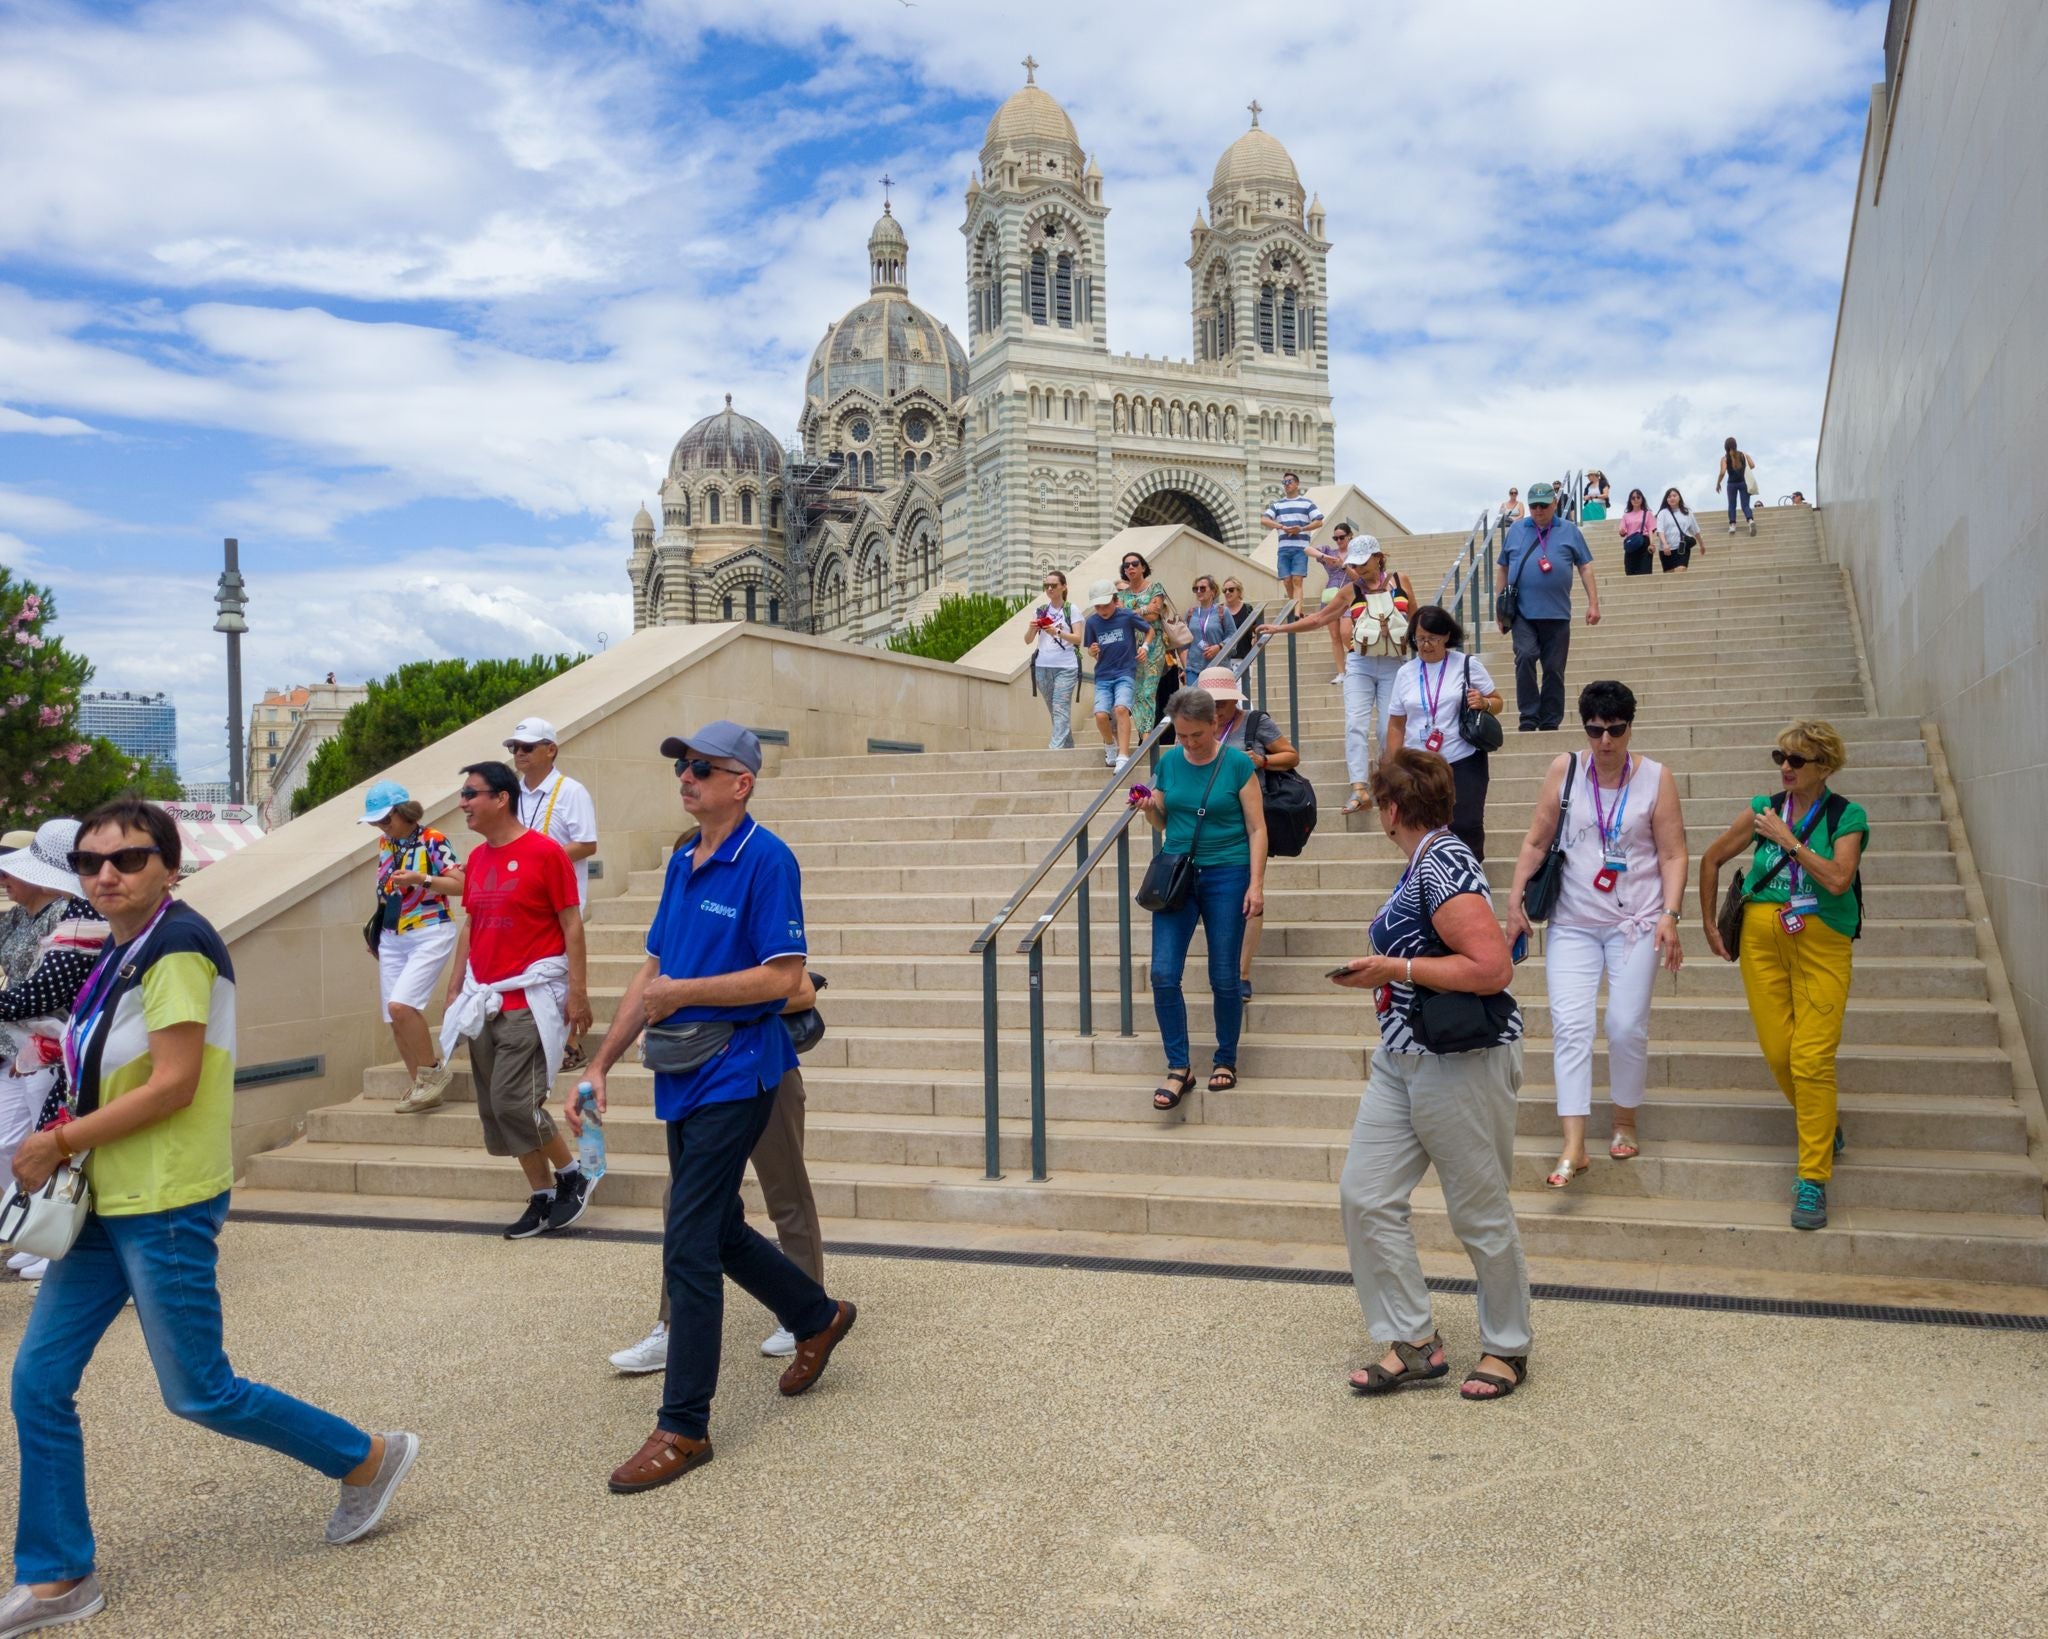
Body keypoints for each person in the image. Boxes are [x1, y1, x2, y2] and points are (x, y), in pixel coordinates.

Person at [5, 799, 417, 1635]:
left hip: (162, 1200)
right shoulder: (123, 952)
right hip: (106, 1198)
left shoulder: (178, 945)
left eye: (126, 858)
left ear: (169, 861)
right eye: (90, 863)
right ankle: (56, 1575)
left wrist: (57, 1140)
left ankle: (368, 1457)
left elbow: (173, 1083)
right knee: (38, 1382)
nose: (105, 875)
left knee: (199, 1391)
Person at [582, 722, 857, 1494]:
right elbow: (654, 973)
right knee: (720, 1228)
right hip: (684, 1071)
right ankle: (816, 1314)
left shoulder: (767, 859)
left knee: (690, 1243)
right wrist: (601, 1062)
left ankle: (684, 1426)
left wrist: (682, 994)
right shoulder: (680, 860)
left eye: (703, 766)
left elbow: (784, 979)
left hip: (740, 1070)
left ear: (742, 782)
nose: (687, 775)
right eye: (681, 764)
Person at [1331, 750, 1529, 1402]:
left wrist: (1394, 970)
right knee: (1366, 1192)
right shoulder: (1426, 861)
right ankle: (1414, 1340)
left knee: (1478, 1209)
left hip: (1459, 1061)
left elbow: (1492, 966)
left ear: (1391, 808)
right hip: (1403, 1058)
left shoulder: (1444, 862)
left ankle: (1505, 1344)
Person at [1503, 682, 1689, 1187]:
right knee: (1571, 1027)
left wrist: (1671, 914)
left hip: (1638, 920)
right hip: (1574, 920)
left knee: (1626, 1025)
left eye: (1615, 730)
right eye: (1594, 730)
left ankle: (1625, 1119)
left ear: (1630, 726)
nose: (1604, 741)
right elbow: (1537, 838)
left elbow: (1673, 853)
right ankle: (1574, 1144)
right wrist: (1515, 901)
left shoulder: (1656, 778)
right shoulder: (1566, 769)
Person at [606, 968, 828, 1371]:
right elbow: (649, 980)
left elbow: (802, 993)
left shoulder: (747, 914)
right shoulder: (679, 918)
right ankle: (672, 1326)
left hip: (764, 1069)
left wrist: (696, 1000)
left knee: (786, 1191)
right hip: (701, 1077)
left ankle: (807, 1312)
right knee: (682, 1201)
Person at [1699, 720, 1866, 1231]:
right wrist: (1707, 923)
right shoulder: (1762, 808)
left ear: (1825, 766)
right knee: (1779, 1052)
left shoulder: (1845, 814)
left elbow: (1839, 879)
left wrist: (1788, 841)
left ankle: (1812, 1178)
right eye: (1781, 758)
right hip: (1760, 939)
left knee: (1811, 1058)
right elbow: (1711, 859)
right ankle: (1824, 1124)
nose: (1786, 768)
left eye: (1797, 760)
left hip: (1821, 943)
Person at [438, 759, 596, 1238]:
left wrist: (578, 993)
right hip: (482, 999)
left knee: (514, 1102)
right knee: (495, 1108)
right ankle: (542, 1196)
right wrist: (454, 986)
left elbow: (572, 923)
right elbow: (472, 924)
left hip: (530, 1000)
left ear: (501, 798)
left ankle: (573, 1174)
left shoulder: (546, 854)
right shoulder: (480, 857)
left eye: (471, 794)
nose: (463, 803)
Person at [1132, 687, 1266, 1113]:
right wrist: (1148, 808)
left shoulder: (1237, 764)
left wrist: (1256, 883)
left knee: (1224, 975)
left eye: (1196, 735)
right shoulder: (1170, 761)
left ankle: (1225, 1057)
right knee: (1162, 973)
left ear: (1214, 724)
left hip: (1228, 871)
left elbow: (1257, 828)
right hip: (1177, 873)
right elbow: (1164, 820)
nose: (1189, 743)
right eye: (1182, 735)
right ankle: (1179, 1067)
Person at [0, 820, 105, 1285]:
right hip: (54, 1048)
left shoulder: (81, 916)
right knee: (41, 1139)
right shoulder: (78, 913)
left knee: (60, 1145)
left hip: (68, 1048)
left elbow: (41, 993)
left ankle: (55, 1238)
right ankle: (43, 1233)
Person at [1262, 537, 1414, 816]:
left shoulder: (1399, 580)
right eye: (1354, 564)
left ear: (1378, 557)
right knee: (1355, 723)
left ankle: (1387, 785)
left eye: (1363, 562)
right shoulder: (1348, 590)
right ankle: (1359, 789)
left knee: (1386, 728)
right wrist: (1279, 629)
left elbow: (1415, 618)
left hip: (1395, 662)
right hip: (1360, 663)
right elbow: (1319, 619)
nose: (1358, 568)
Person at [357, 781, 463, 1115]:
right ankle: (422, 1084)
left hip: (430, 930)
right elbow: (386, 892)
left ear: (405, 813)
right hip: (393, 936)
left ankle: (433, 1073)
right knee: (393, 1016)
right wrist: (379, 933)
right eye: (377, 822)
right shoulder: (386, 843)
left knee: (402, 1006)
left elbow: (460, 885)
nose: (381, 827)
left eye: (386, 820)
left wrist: (421, 879)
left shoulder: (433, 840)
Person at [1200, 666, 1297, 1006]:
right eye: (1210, 704)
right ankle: (1225, 965)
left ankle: (1240, 973)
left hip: (1251, 819)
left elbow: (1291, 755)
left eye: (1222, 704)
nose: (1216, 711)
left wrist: (1261, 760)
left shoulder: (1255, 723)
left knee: (1251, 894)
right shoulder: (1198, 728)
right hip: (1213, 823)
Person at [504, 718, 598, 1067]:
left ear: (551, 749)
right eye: (515, 747)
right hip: (523, 897)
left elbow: (587, 843)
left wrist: (539, 861)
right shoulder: (512, 793)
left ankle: (570, 1044)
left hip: (560, 897)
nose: (519, 753)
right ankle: (542, 1039)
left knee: (558, 970)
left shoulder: (571, 791)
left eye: (527, 747)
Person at [1383, 606, 1503, 858]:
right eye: (1420, 639)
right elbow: (1396, 724)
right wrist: (1395, 765)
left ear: (1447, 636)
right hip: (1420, 763)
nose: (1425, 645)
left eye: (1432, 639)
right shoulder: (1406, 672)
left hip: (1463, 758)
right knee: (1423, 825)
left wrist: (1485, 703)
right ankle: (1430, 874)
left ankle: (1470, 873)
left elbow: (1497, 701)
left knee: (1466, 822)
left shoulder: (1467, 665)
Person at [1495, 480, 1599, 731]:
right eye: (1533, 506)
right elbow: (1503, 567)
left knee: (1553, 669)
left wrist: (1593, 603)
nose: (1538, 510)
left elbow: (1585, 566)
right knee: (1526, 656)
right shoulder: (1517, 530)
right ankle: (1529, 715)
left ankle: (1551, 719)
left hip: (1557, 613)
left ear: (1555, 503)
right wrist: (1499, 607)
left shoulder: (1570, 530)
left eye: (1543, 505)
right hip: (1522, 613)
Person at [1085, 577, 1151, 772]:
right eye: (1097, 607)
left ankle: (1123, 755)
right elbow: (1089, 648)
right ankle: (1109, 745)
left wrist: (1145, 647)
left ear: (1114, 600)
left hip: (1125, 672)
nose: (1102, 610)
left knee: (1121, 709)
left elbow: (1149, 631)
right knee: (1100, 715)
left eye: (1105, 605)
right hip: (1103, 675)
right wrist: (1093, 650)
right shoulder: (1092, 623)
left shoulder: (1126, 616)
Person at [1114, 551, 1171, 741]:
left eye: (1134, 563)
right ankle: (1143, 736)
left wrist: (1131, 612)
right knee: (1136, 693)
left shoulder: (1156, 587)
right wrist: (1144, 609)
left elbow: (1155, 616)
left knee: (1147, 691)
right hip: (1130, 647)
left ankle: (1146, 738)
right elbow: (1122, 617)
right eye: (1126, 565)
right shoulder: (1122, 593)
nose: (1130, 567)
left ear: (1143, 567)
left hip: (1153, 645)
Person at [1022, 570, 1080, 751]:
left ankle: (1054, 749)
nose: (1049, 589)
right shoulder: (1040, 611)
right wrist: (1033, 628)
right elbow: (1028, 640)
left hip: (1066, 666)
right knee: (1054, 710)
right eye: (1046, 585)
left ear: (1063, 587)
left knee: (1060, 707)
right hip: (1042, 666)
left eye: (1054, 585)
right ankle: (1068, 746)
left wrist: (1057, 631)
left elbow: (1078, 639)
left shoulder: (1072, 609)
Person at [1305, 520, 1365, 683]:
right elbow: (1307, 549)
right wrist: (1325, 557)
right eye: (1335, 538)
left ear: (1350, 536)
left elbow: (1359, 579)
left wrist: (1344, 566)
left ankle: (1358, 661)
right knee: (1335, 636)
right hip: (1331, 595)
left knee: (1346, 633)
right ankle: (1341, 672)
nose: (1338, 541)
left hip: (1350, 594)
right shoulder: (1329, 551)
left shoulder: (1357, 555)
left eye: (1342, 537)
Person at [1262, 471, 1323, 614]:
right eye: (1284, 482)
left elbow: (1319, 521)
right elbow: (1264, 519)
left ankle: (1296, 613)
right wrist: (1282, 527)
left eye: (1289, 482)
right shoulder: (1278, 504)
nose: (1286, 485)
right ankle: (1296, 608)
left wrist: (1301, 528)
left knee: (1297, 580)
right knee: (1287, 581)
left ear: (1297, 484)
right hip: (1283, 548)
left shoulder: (1307, 503)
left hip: (1301, 548)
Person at [1185, 573, 1233, 670]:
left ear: (1213, 591)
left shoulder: (1222, 611)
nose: (1198, 591)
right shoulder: (1190, 613)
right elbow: (1185, 642)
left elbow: (1232, 635)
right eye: (1195, 589)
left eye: (1202, 588)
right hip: (1193, 667)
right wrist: (1185, 667)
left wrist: (1219, 647)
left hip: (1218, 665)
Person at [1716, 437, 1756, 536]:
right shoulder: (1743, 455)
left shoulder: (1724, 458)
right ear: (1735, 445)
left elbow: (1722, 472)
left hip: (1731, 484)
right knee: (1745, 505)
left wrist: (1718, 483)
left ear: (1725, 447)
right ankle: (1750, 520)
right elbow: (1752, 465)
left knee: (1732, 505)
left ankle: (1733, 525)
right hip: (1743, 482)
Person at [1655, 487, 1699, 574]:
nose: (1672, 498)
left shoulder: (1687, 512)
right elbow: (1660, 531)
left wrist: (1701, 544)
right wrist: (1665, 544)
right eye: (1669, 496)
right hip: (1667, 550)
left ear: (1679, 497)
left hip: (1681, 548)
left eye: (1674, 495)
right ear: (1666, 500)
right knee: (1669, 575)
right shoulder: (1662, 513)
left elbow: (1695, 530)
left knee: (1680, 570)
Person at [1617, 488, 1657, 577]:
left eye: (1638, 497)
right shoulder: (1626, 516)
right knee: (1630, 572)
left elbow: (1651, 530)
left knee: (1645, 571)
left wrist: (1652, 544)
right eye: (1633, 498)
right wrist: (1622, 531)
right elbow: (1622, 532)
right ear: (1630, 500)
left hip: (1644, 543)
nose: (1636, 500)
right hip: (1631, 544)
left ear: (1642, 499)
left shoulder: (1647, 513)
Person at [1217, 576, 1256, 662]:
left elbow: (1256, 629)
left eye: (1231, 590)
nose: (1227, 592)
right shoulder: (1219, 610)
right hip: (1222, 659)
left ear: (1239, 591)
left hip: (1244, 658)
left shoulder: (1247, 609)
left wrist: (1254, 642)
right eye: (1224, 590)